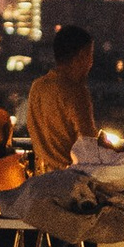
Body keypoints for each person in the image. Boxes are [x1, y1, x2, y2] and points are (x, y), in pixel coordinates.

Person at [23, 23, 99, 173]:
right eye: (90, 55)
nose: (91, 62)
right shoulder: (75, 91)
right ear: (81, 56)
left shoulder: (37, 87)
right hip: (68, 182)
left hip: (41, 178)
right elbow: (89, 144)